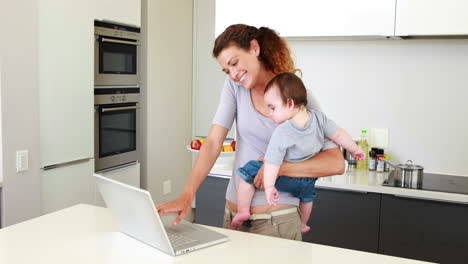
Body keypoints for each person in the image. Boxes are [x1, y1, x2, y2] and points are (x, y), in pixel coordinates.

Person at [156, 24, 345, 241]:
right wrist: (187, 195)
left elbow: (335, 163)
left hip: (278, 220)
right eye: (227, 70)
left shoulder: (299, 98)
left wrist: (279, 168)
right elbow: (213, 142)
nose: (233, 74)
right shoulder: (234, 88)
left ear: (254, 48)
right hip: (233, 216)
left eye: (234, 63)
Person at [232, 72, 365, 232]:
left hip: (286, 177)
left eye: (273, 108)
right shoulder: (319, 119)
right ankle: (303, 223)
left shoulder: (283, 131)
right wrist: (355, 149)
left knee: (248, 172)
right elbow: (338, 135)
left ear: (289, 103)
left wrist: (269, 187)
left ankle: (243, 211)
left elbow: (273, 162)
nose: (270, 113)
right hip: (308, 180)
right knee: (307, 198)